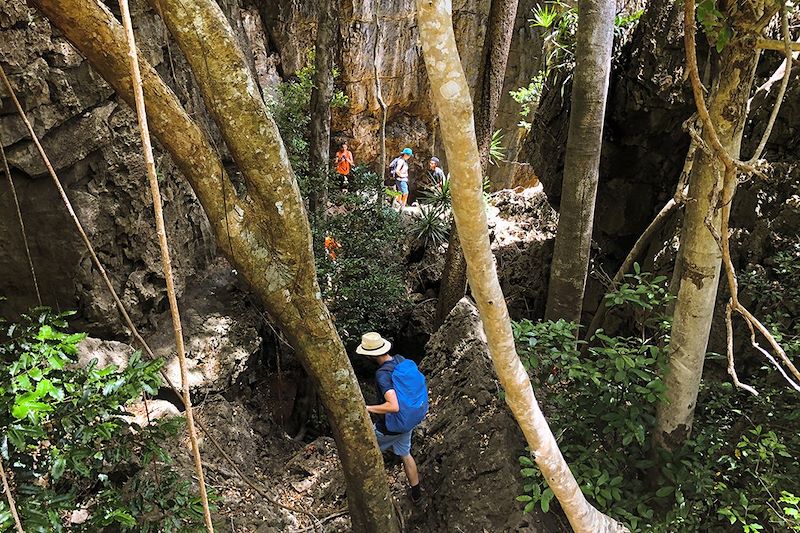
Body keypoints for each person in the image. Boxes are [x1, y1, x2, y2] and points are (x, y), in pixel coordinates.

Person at [357, 332, 426, 504]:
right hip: (408, 420)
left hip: (390, 427)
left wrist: (367, 409)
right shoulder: (400, 360)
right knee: (405, 453)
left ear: (369, 354)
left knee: (364, 452)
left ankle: (372, 496)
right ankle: (417, 494)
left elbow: (393, 406)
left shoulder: (382, 375)